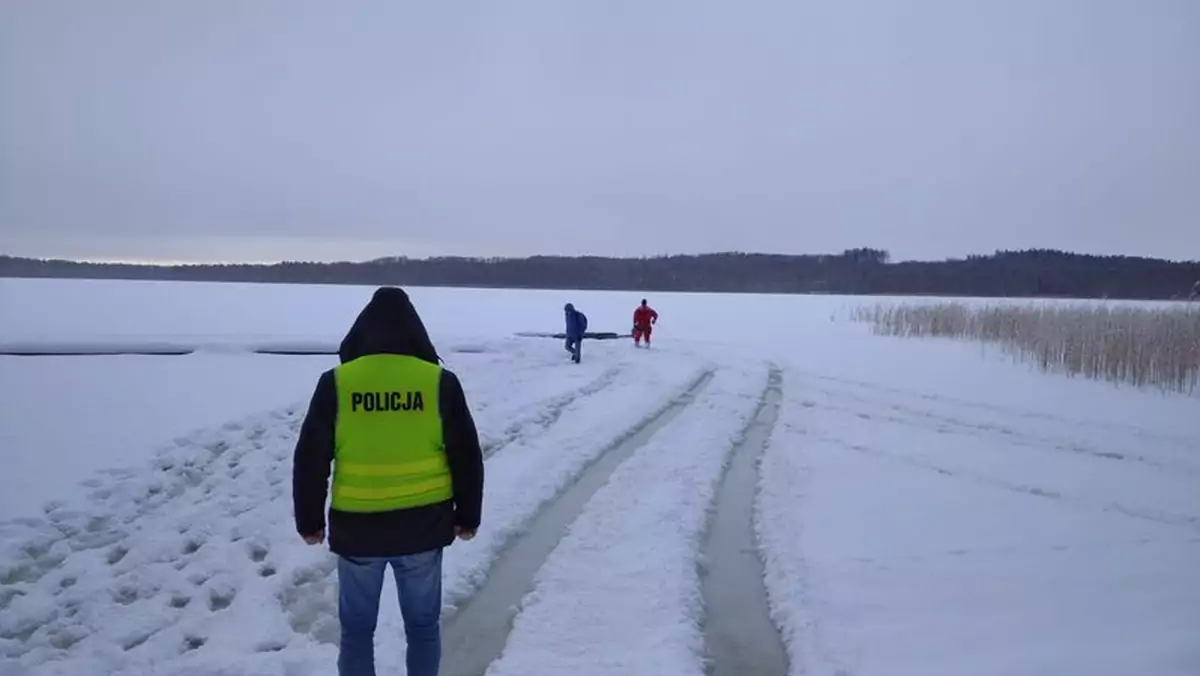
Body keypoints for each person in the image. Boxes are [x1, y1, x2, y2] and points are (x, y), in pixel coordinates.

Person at [292, 286, 484, 676]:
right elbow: (465, 453)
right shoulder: (438, 382)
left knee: (358, 632)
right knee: (423, 627)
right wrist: (468, 515)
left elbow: (311, 456)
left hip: (358, 529)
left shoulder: (338, 383)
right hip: (423, 529)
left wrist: (309, 520)